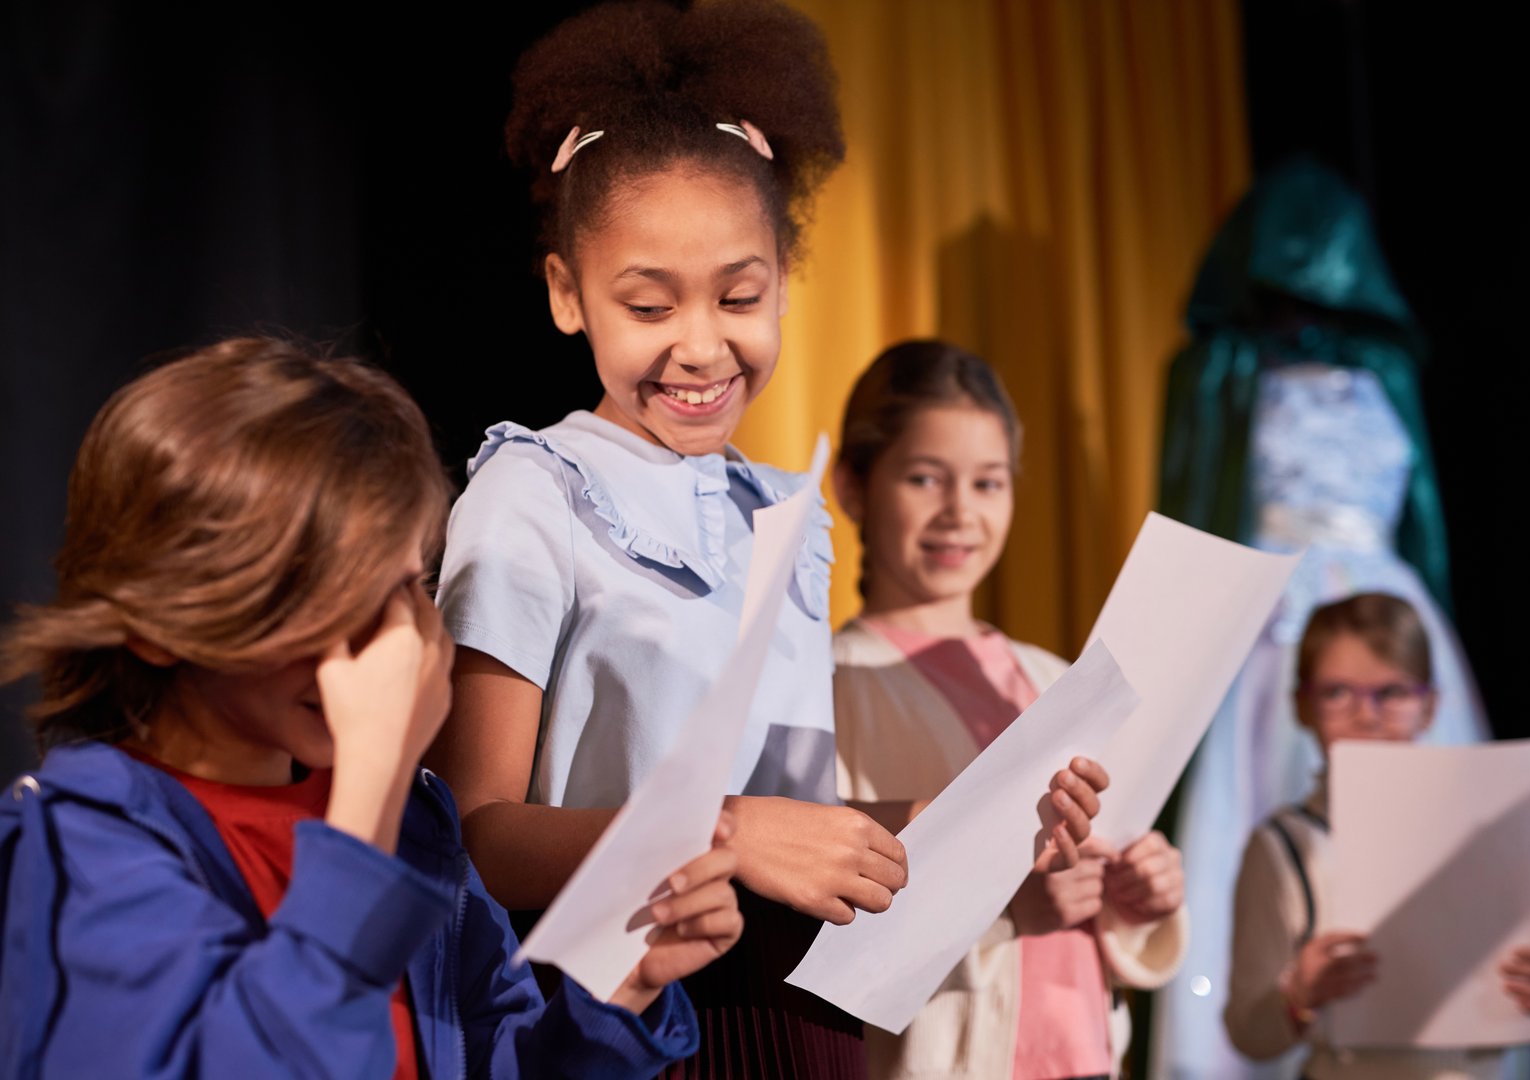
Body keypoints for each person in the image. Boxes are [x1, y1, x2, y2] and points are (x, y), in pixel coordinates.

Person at [426, 5, 1111, 1077]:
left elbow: (799, 813)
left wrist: (961, 819)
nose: (701, 345)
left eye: (740, 296)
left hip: (800, 1010)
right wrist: (726, 832)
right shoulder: (530, 493)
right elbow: (477, 833)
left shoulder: (785, 514)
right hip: (623, 1012)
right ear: (567, 294)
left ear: (786, 278)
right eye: (648, 305)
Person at [0, 338, 745, 1079]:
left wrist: (619, 994)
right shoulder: (82, 841)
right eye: (316, 595)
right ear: (159, 624)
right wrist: (369, 795)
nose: (383, 642)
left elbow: (494, 1055)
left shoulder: (413, 826)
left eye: (399, 589)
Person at [1153, 159, 1491, 1080]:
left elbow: (1423, 509)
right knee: (1270, 823)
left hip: (1392, 617)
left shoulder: (1387, 373)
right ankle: (1264, 1031)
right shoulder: (1220, 371)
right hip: (1275, 626)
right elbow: (1193, 502)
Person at [830, 339, 1189, 1080]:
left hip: (1086, 1054)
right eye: (926, 478)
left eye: (989, 483)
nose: (960, 512)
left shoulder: (1061, 678)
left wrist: (1134, 894)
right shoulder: (830, 691)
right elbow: (828, 924)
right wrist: (1006, 916)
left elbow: (1101, 881)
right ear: (855, 487)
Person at [1225, 592, 1530, 1079]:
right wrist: (1298, 996)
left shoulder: (1481, 831)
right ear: (1303, 707)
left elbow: (1527, 989)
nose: (1367, 715)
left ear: (1430, 705)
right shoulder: (1284, 848)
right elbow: (1247, 1033)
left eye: (1392, 693)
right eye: (1337, 692)